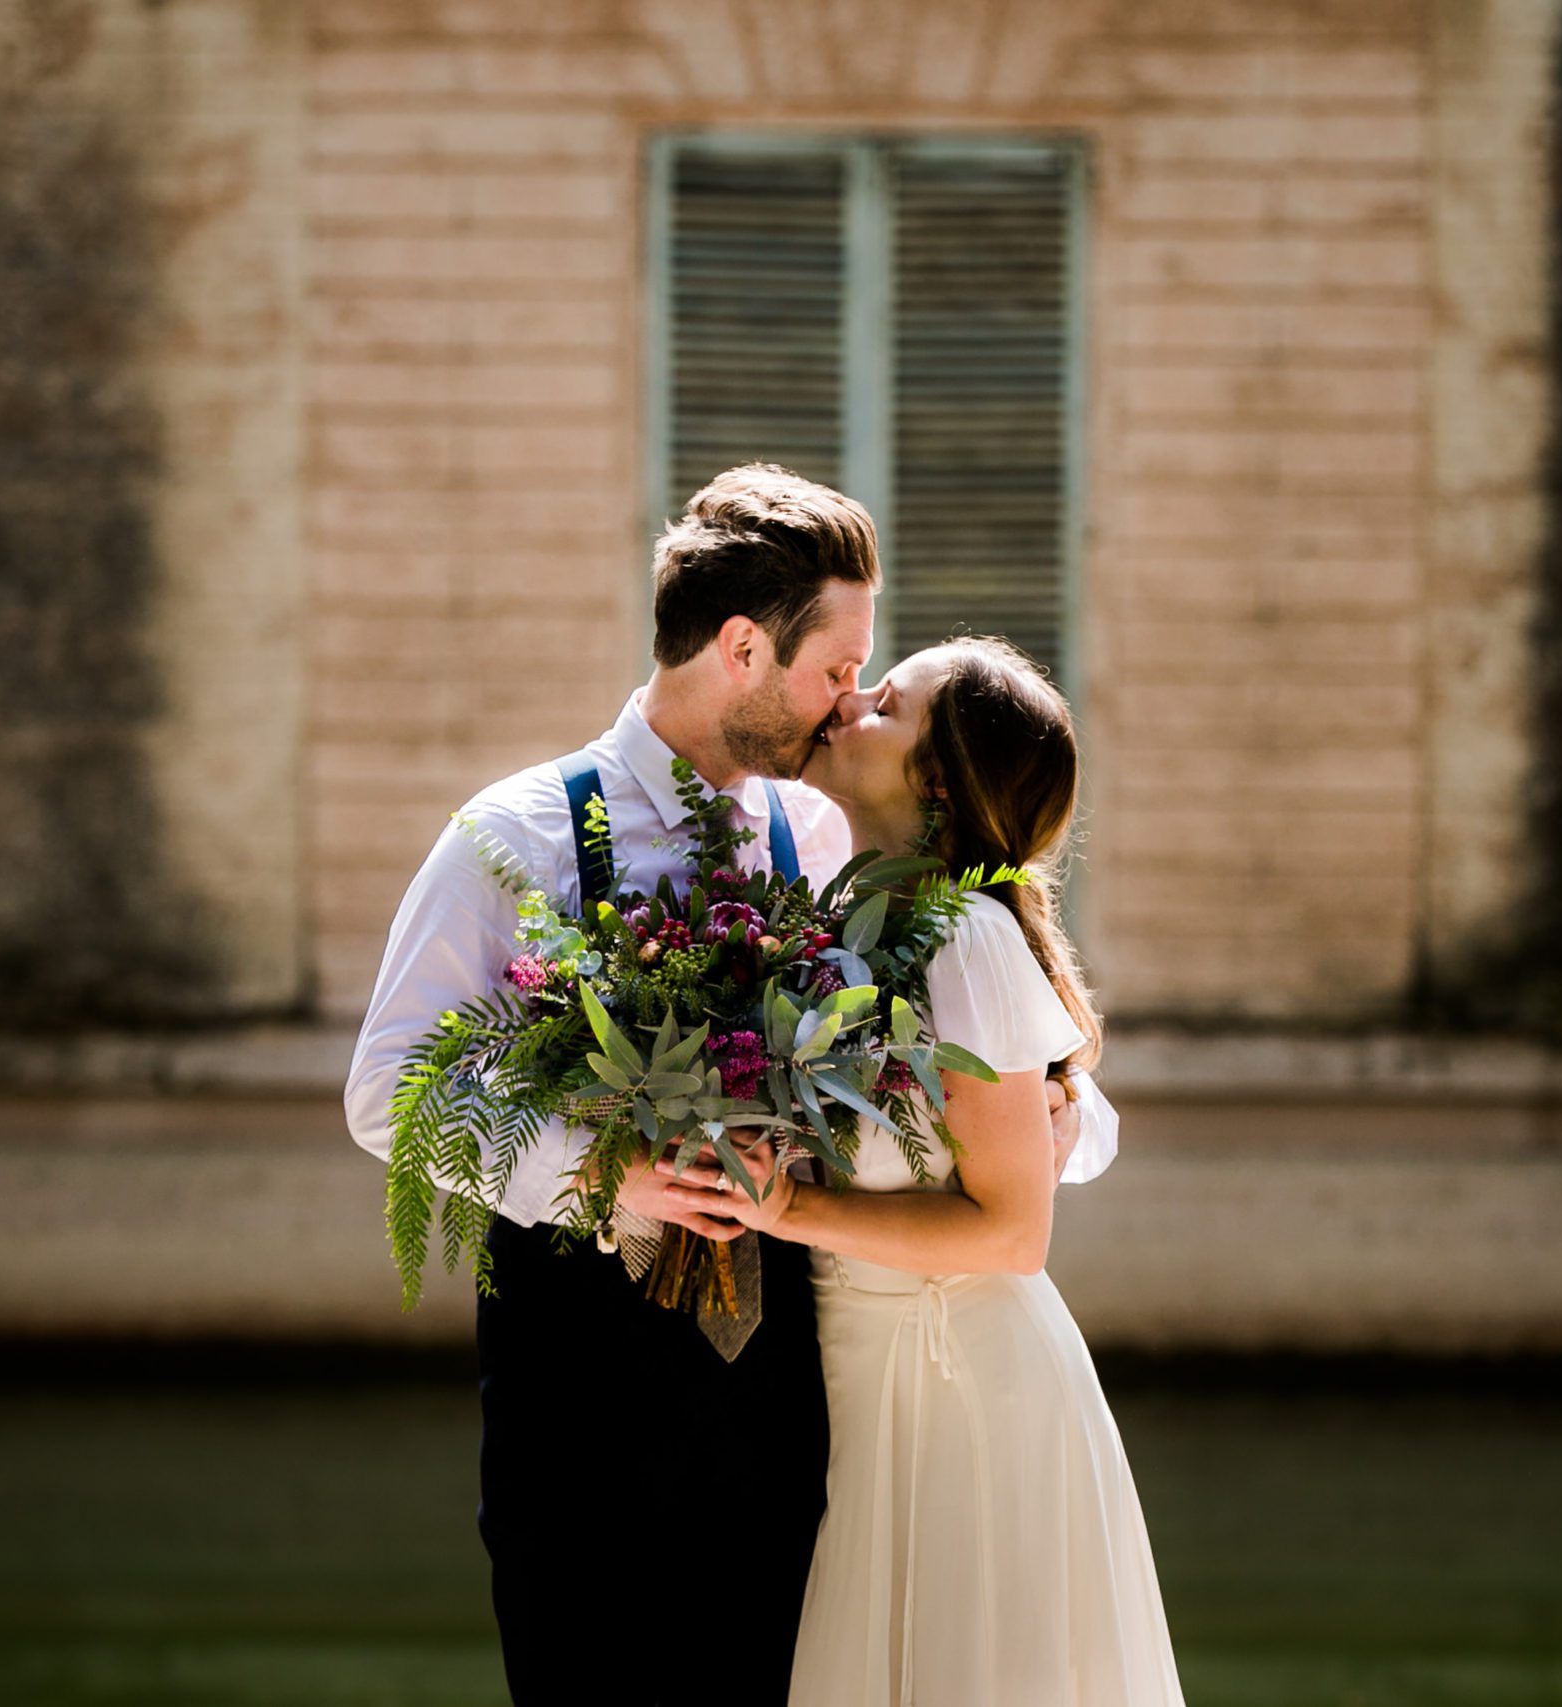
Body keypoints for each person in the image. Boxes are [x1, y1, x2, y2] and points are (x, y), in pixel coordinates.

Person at [343, 466, 1119, 1706]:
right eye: (834, 669)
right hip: (578, 1405)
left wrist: (1046, 1123)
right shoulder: (515, 832)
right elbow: (386, 1090)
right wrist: (611, 1179)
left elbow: (995, 1082)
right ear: (744, 647)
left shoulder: (826, 841)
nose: (847, 700)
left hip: (789, 1411)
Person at [679, 635, 1187, 1706]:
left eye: (885, 705)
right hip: (869, 1386)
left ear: (937, 780)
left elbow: (1012, 1232)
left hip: (961, 1394)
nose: (848, 701)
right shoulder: (846, 916)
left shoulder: (966, 941)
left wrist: (790, 1207)